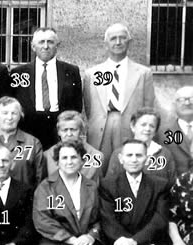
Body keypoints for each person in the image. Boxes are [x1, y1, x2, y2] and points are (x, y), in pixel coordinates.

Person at [82, 23, 155, 172]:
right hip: (100, 129)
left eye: (122, 38)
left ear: (129, 42)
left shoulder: (143, 73)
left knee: (126, 169)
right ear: (106, 43)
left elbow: (148, 107)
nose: (118, 42)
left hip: (129, 127)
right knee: (98, 170)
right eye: (113, 38)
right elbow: (89, 107)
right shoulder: (93, 73)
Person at [10, 27, 83, 148]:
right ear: (33, 47)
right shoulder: (19, 73)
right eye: (41, 42)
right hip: (29, 129)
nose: (45, 46)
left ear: (57, 46)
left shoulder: (71, 71)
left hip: (60, 129)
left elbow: (77, 105)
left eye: (50, 42)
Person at [0, 96, 46, 188]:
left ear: (19, 117)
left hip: (25, 199)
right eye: (5, 113)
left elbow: (41, 179)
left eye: (14, 113)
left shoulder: (32, 143)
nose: (9, 117)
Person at [105, 108, 176, 182]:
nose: (147, 129)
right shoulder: (119, 154)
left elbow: (171, 183)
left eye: (152, 126)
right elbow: (110, 184)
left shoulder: (164, 154)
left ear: (155, 131)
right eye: (143, 125)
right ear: (133, 126)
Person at [44, 111, 105, 184]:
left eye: (73, 129)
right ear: (59, 132)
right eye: (65, 130)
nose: (69, 134)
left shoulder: (96, 156)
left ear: (81, 131)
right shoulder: (47, 155)